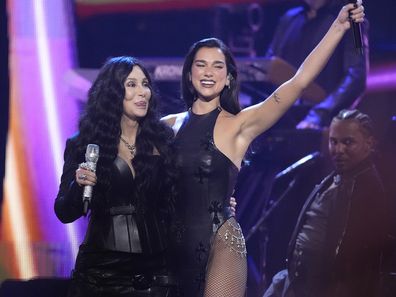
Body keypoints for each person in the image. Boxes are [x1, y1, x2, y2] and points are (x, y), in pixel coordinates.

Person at [162, 3, 365, 297]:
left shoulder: (241, 125)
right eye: (201, 65)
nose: (208, 72)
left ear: (229, 77)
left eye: (217, 65)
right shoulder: (166, 127)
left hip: (221, 244)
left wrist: (338, 26)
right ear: (189, 74)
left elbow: (299, 82)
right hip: (172, 244)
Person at [54, 56, 179, 297]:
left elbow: (178, 200)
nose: (142, 92)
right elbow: (64, 212)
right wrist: (77, 185)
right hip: (103, 273)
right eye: (131, 84)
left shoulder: (162, 141)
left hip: (156, 272)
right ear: (113, 91)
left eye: (145, 84)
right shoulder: (83, 143)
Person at [262, 109, 389, 297]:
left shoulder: (368, 189)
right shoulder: (336, 178)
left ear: (369, 144)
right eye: (333, 141)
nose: (338, 150)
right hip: (298, 281)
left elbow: (360, 262)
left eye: (348, 142)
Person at [264, 0, 368, 129]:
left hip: (322, 124)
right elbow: (269, 67)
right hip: (281, 119)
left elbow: (356, 77)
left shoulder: (349, 20)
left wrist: (319, 115)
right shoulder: (290, 18)